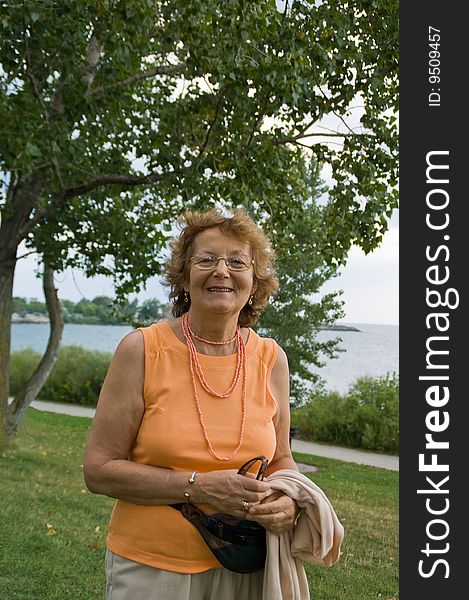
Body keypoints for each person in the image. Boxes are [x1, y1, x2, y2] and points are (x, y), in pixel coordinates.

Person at [83, 208, 305, 599]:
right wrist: (199, 488)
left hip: (245, 562)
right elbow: (99, 471)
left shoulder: (272, 359)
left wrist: (288, 499)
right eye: (206, 260)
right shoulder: (142, 349)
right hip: (152, 567)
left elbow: (282, 459)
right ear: (185, 277)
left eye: (237, 262)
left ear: (254, 283)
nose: (222, 271)